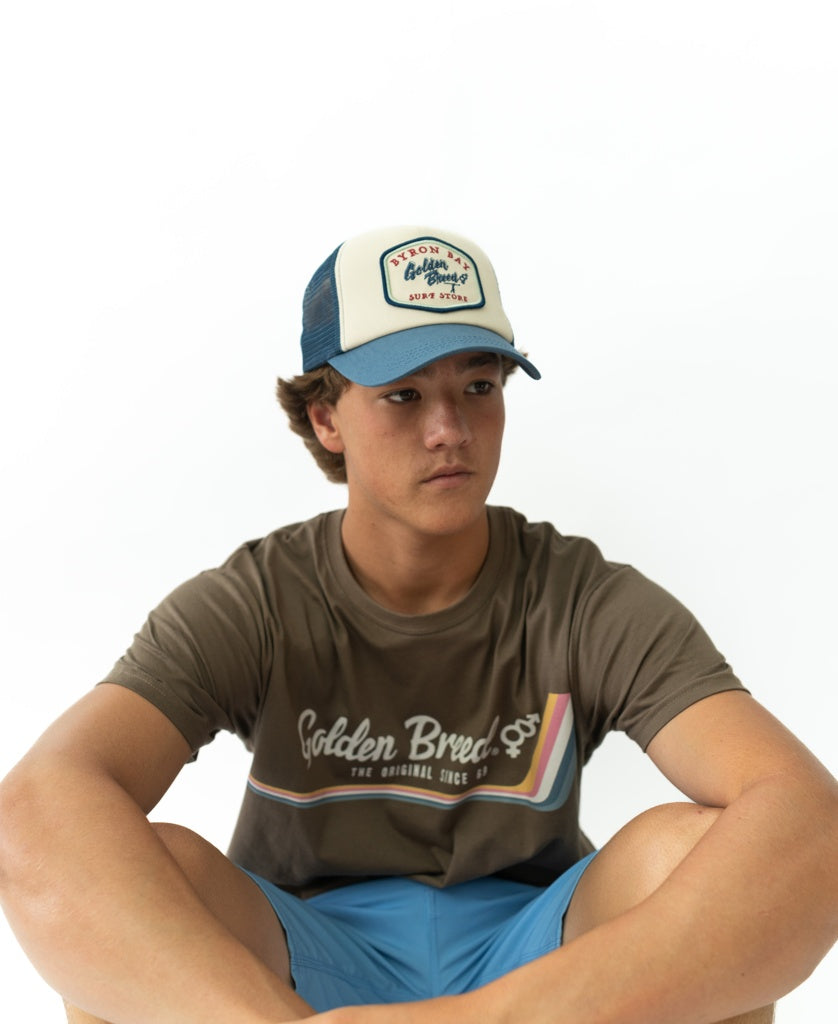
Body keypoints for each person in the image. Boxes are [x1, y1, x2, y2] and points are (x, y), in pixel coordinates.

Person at [0, 225, 835, 1024]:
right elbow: (43, 805)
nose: (451, 431)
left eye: (479, 386)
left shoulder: (583, 597)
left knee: (700, 853)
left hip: (540, 968)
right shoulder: (256, 599)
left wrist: (483, 1020)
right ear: (326, 417)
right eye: (403, 395)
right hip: (301, 957)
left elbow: (805, 818)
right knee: (126, 861)